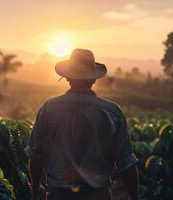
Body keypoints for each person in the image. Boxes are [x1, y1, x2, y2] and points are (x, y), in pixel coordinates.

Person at [25, 48, 139, 200]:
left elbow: (35, 155)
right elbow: (126, 164)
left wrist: (34, 191)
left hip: (58, 195)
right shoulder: (111, 112)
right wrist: (135, 197)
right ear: (94, 79)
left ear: (67, 78)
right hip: (98, 195)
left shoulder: (49, 108)